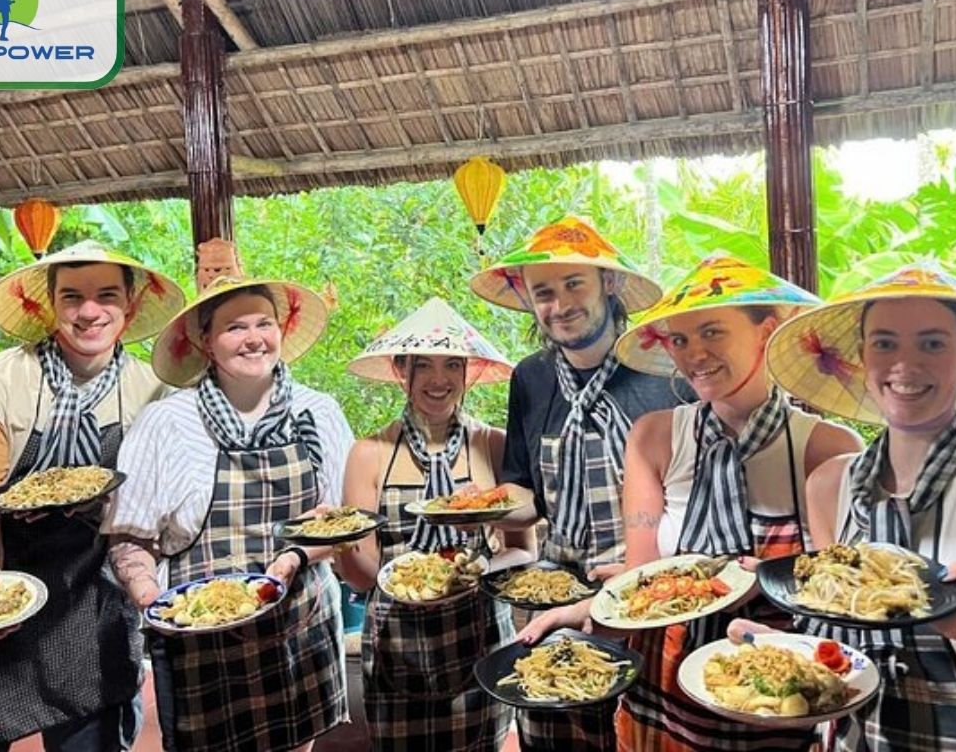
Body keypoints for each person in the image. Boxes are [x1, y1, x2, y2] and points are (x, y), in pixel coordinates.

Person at [736, 263, 956, 752]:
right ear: (862, 359)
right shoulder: (830, 487)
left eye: (932, 344)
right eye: (885, 344)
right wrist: (779, 654)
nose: (905, 364)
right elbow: (852, 658)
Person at [0, 240, 185, 750]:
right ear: (49, 305)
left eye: (107, 295)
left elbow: (154, 513)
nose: (89, 311)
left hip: (93, 597)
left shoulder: (155, 394)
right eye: (71, 297)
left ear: (130, 305)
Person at [603, 256, 862, 751]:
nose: (693, 354)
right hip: (664, 690)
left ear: (766, 332)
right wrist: (590, 609)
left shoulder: (827, 449)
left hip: (782, 692)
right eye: (680, 340)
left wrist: (774, 585)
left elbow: (844, 596)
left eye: (712, 332)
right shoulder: (654, 437)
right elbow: (639, 580)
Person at [103, 276, 353, 752]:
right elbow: (129, 537)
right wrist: (155, 602)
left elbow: (342, 524)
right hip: (199, 640)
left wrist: (295, 557)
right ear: (205, 341)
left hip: (299, 628)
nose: (253, 338)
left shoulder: (317, 412)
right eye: (235, 327)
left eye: (264, 323)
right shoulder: (168, 422)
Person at [469, 215, 680, 751]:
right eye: (544, 292)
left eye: (573, 284)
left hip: (650, 592)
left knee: (640, 736)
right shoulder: (531, 378)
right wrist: (482, 507)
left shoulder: (664, 373)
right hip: (557, 590)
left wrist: (642, 579)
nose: (559, 304)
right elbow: (526, 497)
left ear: (609, 282)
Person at [340, 297, 533, 751]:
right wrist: (345, 544)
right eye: (422, 365)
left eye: (452, 365)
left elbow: (525, 548)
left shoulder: (493, 445)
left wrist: (474, 572)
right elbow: (360, 575)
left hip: (481, 640)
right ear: (401, 371)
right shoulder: (369, 453)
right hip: (397, 645)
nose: (438, 379)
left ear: (467, 373)